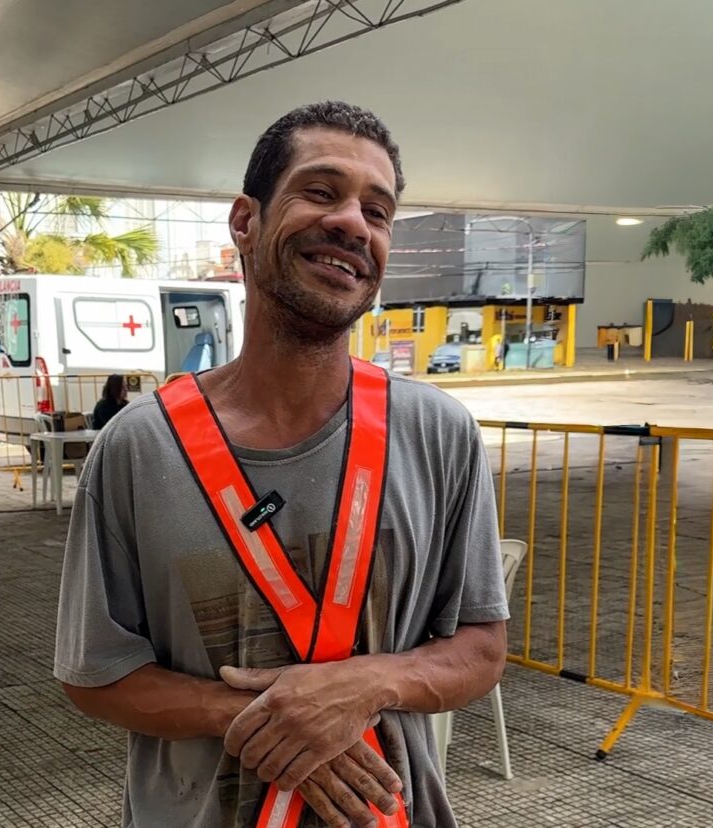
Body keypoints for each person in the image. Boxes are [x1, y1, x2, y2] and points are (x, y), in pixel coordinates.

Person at [54, 101, 508, 827]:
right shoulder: (139, 448)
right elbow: (97, 674)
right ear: (246, 221)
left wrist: (366, 685)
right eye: (321, 191)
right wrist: (276, 718)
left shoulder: (438, 433)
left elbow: (481, 650)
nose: (353, 223)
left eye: (378, 211)